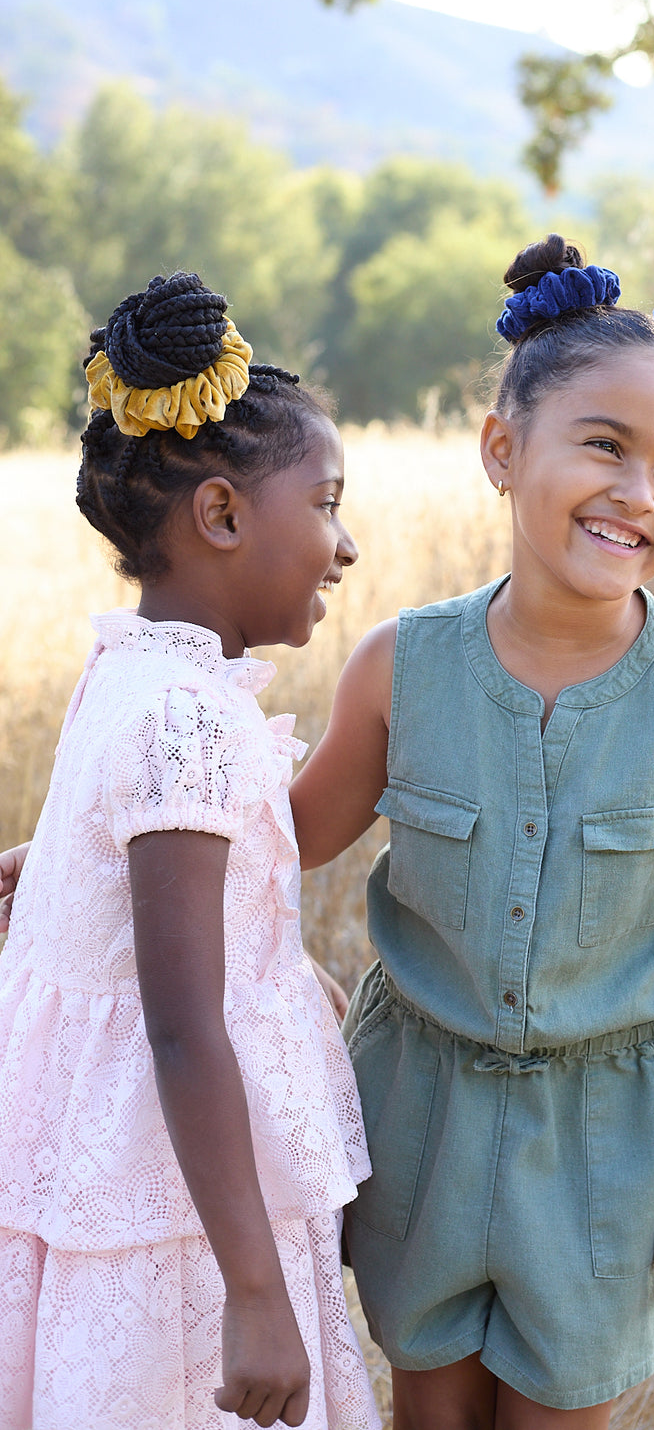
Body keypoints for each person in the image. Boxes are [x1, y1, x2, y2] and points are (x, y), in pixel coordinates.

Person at [290, 235, 654, 1429]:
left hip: (608, 1146)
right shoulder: (402, 666)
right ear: (503, 450)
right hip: (419, 1119)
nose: (639, 494)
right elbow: (284, 838)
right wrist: (103, 850)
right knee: (429, 1409)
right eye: (605, 446)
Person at [0, 274, 379, 1430]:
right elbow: (180, 1023)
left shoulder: (134, 670)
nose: (345, 546)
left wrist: (54, 868)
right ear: (221, 515)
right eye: (326, 504)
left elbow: (139, 863)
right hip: (179, 1212)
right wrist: (256, 1295)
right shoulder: (189, 720)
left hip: (130, 1171)